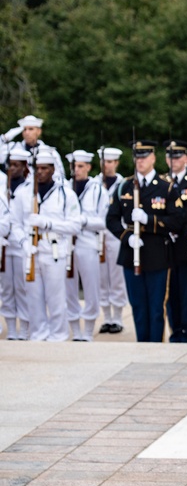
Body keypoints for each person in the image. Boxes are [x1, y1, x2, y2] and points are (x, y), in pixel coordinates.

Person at [106, 140, 185, 343]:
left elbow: (177, 221)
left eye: (144, 157)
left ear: (152, 158)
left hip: (157, 253)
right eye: (137, 157)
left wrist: (149, 220)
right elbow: (111, 219)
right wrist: (126, 236)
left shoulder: (166, 188)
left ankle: (155, 346)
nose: (139, 161)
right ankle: (142, 344)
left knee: (156, 306)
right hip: (131, 252)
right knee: (138, 306)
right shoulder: (124, 185)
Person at [11, 147, 81, 341]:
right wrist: (24, 242)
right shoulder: (23, 193)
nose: (40, 172)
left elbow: (75, 225)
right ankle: (38, 334)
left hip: (54, 250)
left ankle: (58, 335)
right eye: (37, 168)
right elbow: (15, 223)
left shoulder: (65, 194)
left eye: (44, 168)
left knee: (56, 298)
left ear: (52, 170)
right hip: (31, 252)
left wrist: (49, 224)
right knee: (33, 298)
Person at [65, 150, 104, 341]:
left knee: (91, 288)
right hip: (66, 244)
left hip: (88, 242)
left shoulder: (97, 190)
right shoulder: (63, 188)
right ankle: (75, 330)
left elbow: (103, 221)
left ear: (88, 167)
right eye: (73, 166)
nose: (76, 170)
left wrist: (82, 221)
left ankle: (88, 330)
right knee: (68, 289)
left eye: (80, 166)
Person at [163, 140, 187, 343]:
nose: (173, 160)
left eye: (177, 156)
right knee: (171, 293)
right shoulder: (163, 181)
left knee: (186, 292)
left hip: (186, 244)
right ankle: (174, 330)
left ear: (186, 158)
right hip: (167, 246)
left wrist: (178, 226)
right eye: (170, 156)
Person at [93, 147, 128, 334]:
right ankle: (106, 316)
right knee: (101, 278)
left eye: (109, 162)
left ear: (116, 163)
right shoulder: (94, 183)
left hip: (115, 234)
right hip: (97, 234)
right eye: (103, 161)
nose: (106, 165)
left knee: (116, 278)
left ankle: (117, 317)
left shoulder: (123, 184)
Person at [1, 146, 32, 338]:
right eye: (10, 165)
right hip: (4, 243)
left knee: (22, 287)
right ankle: (11, 328)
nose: (12, 169)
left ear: (24, 167)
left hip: (22, 243)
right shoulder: (3, 185)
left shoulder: (29, 187)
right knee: (6, 288)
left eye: (16, 165)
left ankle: (25, 327)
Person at [0, 115, 65, 179]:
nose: (27, 132)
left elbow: (60, 175)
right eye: (24, 129)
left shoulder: (50, 152)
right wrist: (5, 138)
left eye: (31, 129)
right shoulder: (12, 148)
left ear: (39, 131)